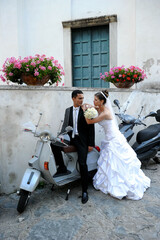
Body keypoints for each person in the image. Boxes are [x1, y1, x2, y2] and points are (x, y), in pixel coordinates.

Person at [83, 90, 150, 200]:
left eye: (96, 100)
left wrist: (85, 112)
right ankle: (109, 180)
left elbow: (90, 122)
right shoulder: (101, 108)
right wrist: (89, 107)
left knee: (117, 160)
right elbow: (94, 109)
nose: (93, 101)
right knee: (109, 160)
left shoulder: (106, 113)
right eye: (93, 99)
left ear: (102, 101)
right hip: (109, 137)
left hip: (114, 138)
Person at [51, 90, 95, 204]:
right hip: (70, 139)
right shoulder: (68, 110)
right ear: (73, 98)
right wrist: (60, 137)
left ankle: (85, 190)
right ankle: (61, 167)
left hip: (82, 141)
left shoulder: (86, 110)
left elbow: (91, 128)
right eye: (79, 98)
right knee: (53, 144)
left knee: (82, 163)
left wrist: (91, 144)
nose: (82, 100)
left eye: (82, 98)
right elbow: (65, 125)